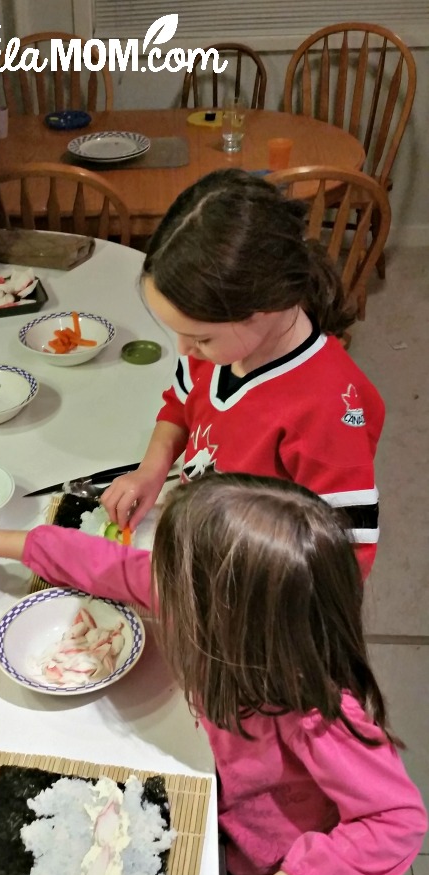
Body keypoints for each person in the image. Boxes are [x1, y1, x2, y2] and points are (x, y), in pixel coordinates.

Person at [0, 473, 426, 875]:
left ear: (228, 619)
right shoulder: (219, 608)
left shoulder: (315, 711)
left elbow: (396, 820)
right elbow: (109, 566)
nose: (157, 584)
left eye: (173, 578)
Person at [100, 168, 384, 579]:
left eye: (199, 337)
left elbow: (345, 557)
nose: (184, 349)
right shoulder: (215, 348)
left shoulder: (325, 408)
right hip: (209, 544)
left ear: (263, 308)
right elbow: (180, 405)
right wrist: (151, 470)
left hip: (259, 590)